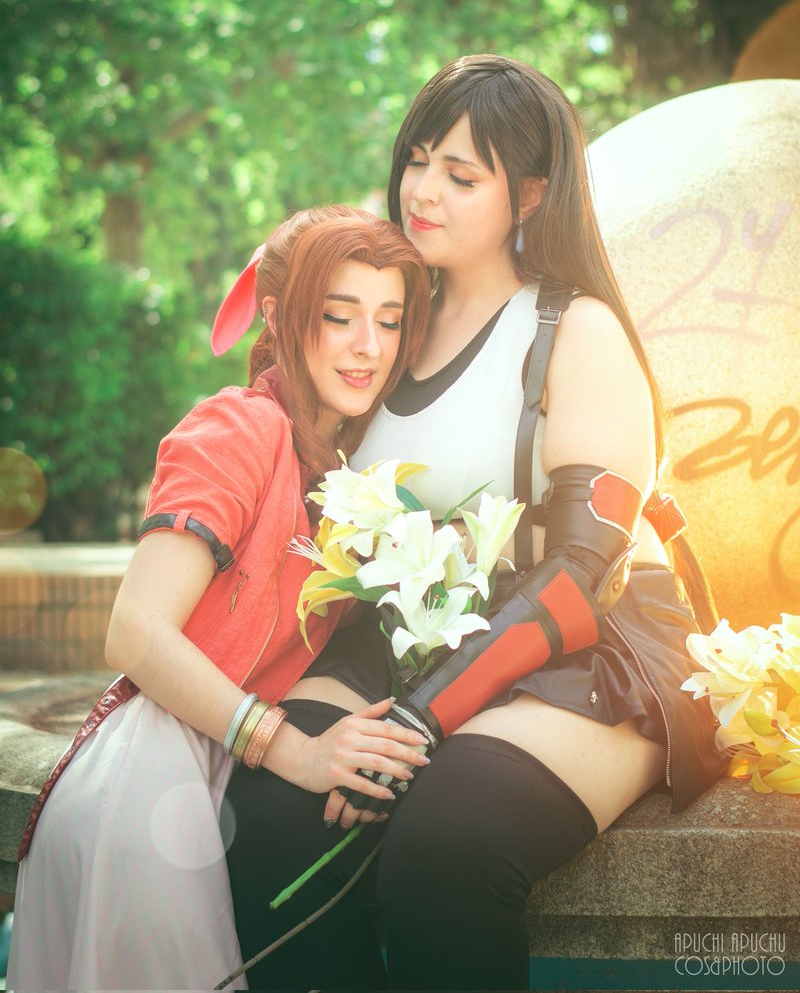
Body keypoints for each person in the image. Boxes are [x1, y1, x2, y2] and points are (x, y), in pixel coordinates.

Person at [224, 56, 726, 992]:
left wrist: (423, 719)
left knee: (447, 843)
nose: (423, 192)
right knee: (270, 815)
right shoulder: (385, 320)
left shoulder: (574, 330)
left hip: (586, 649)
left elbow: (586, 570)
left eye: (461, 176)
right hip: (404, 633)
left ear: (529, 193)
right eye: (417, 162)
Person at [6, 205, 433, 992]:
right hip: (155, 783)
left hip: (221, 777)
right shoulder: (238, 427)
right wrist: (292, 748)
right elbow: (135, 632)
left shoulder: (347, 468)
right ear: (277, 317)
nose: (368, 346)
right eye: (338, 316)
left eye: (389, 320)